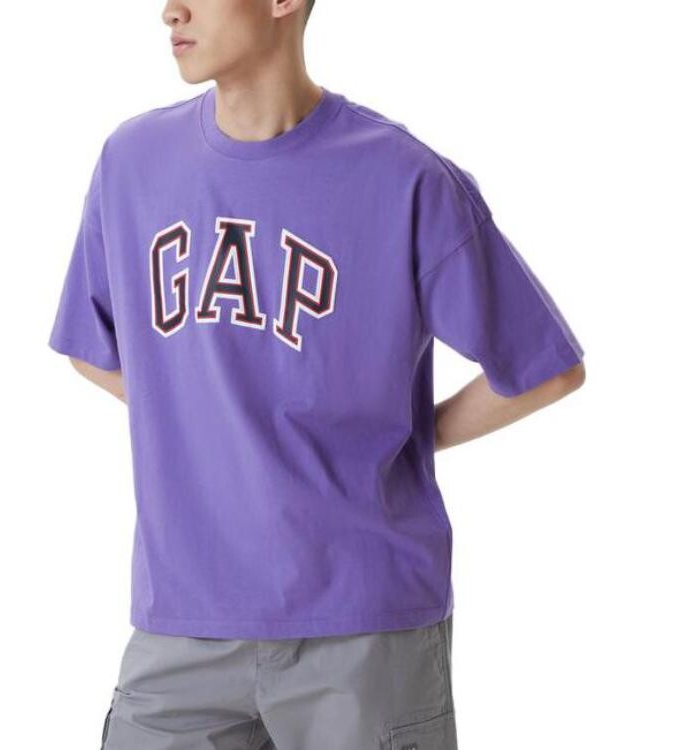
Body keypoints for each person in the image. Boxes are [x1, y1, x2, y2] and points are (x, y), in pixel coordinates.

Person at [47, 1, 587, 748]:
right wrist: (204, 411)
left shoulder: (403, 178)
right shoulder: (131, 164)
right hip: (182, 626)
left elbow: (542, 369)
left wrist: (409, 432)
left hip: (362, 632)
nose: (170, 10)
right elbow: (91, 345)